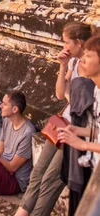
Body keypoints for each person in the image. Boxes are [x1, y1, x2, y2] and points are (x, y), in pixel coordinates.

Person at [13, 22, 96, 216]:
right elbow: (61, 95)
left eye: (66, 42)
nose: (64, 46)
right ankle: (21, 213)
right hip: (63, 123)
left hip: (78, 131)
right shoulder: (75, 63)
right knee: (38, 173)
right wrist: (62, 66)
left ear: (79, 42)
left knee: (51, 179)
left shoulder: (93, 70)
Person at [58, 34, 100, 205]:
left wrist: (83, 144)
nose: (82, 60)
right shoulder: (97, 90)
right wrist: (79, 131)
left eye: (89, 55)